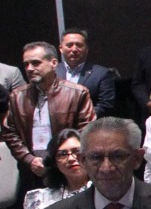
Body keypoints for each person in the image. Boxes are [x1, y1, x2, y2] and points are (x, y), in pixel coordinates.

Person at [4, 42, 96, 195]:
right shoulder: (17, 96)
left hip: (67, 167)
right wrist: (28, 159)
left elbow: (86, 130)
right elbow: (10, 132)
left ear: (54, 63)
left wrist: (56, 158)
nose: (29, 69)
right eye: (26, 64)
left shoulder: (76, 93)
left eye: (36, 63)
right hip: (32, 169)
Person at [22, 129, 90, 209]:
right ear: (54, 162)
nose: (71, 158)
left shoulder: (104, 193)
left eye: (77, 151)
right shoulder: (41, 199)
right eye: (62, 154)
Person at [55, 28, 116, 118]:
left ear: (87, 49)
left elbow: (106, 104)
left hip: (88, 126)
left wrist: (82, 118)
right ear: (61, 48)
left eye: (79, 45)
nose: (74, 49)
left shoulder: (101, 73)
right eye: (69, 45)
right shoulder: (53, 71)